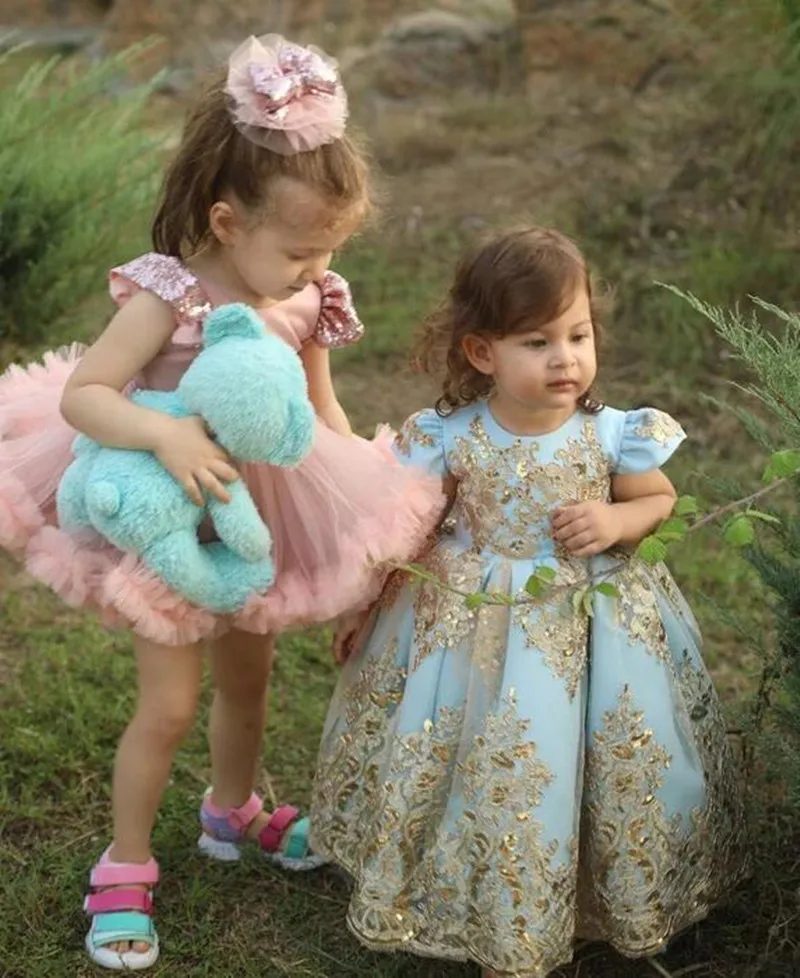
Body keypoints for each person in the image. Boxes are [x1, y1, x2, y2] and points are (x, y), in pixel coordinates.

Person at [0, 34, 442, 971]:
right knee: (166, 707)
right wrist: (164, 433)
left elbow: (320, 413)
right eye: (300, 248)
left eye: (328, 248)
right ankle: (122, 866)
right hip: (166, 519)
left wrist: (358, 494)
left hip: (264, 515)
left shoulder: (310, 297)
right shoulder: (169, 293)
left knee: (252, 678)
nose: (315, 266)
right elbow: (89, 395)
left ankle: (232, 808)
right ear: (228, 220)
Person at [310, 226, 749, 978]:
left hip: (591, 623)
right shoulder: (452, 436)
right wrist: (365, 607)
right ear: (482, 353)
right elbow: (409, 533)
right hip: (474, 625)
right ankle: (494, 899)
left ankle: (600, 894)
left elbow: (660, 500)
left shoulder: (613, 435)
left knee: (602, 753)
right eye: (538, 342)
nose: (566, 359)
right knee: (490, 761)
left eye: (578, 335)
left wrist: (617, 519)